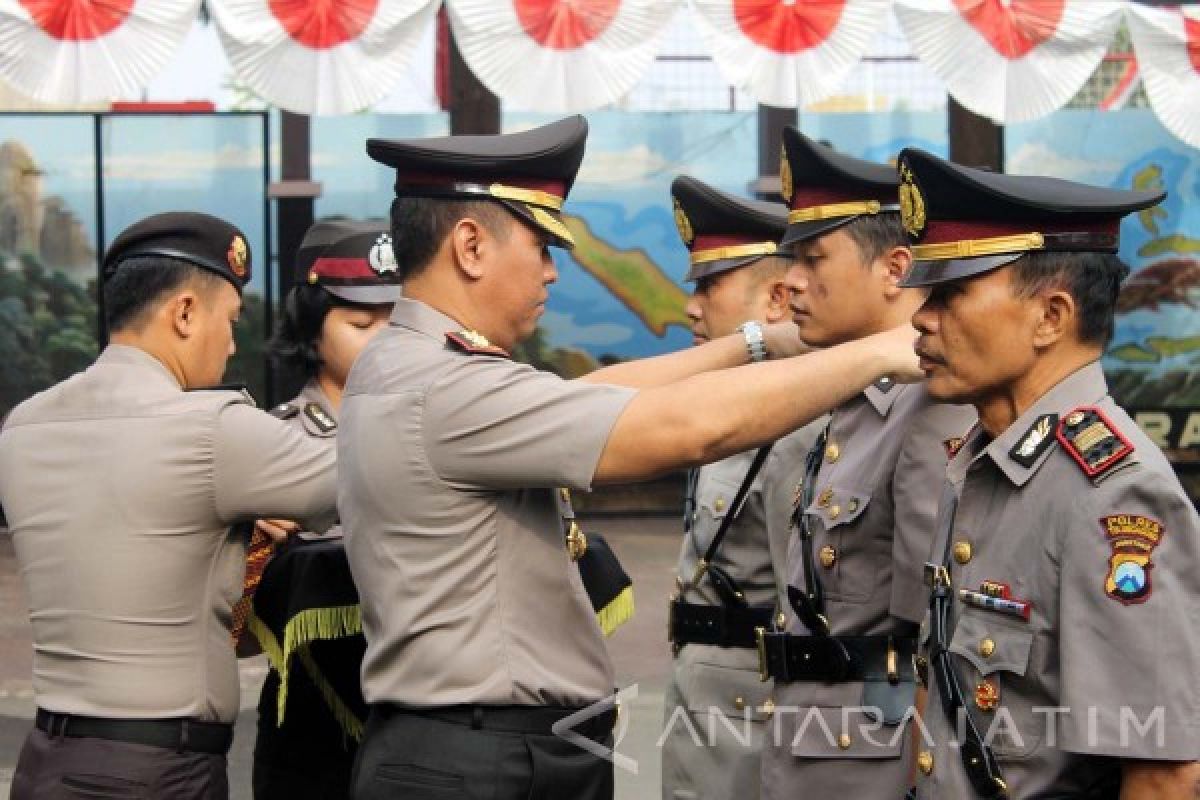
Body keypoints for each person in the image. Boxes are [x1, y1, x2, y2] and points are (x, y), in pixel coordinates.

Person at [341, 115, 926, 800]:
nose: (552, 272)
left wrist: (758, 344)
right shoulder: (445, 386)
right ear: (471, 246)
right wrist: (880, 352)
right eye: (540, 246)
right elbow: (680, 429)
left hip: (475, 746)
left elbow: (583, 396)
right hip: (481, 761)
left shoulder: (415, 367)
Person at [0, 212, 338, 799]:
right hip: (156, 771)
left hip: (46, 761)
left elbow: (131, 511)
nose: (233, 345)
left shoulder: (23, 427)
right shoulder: (211, 431)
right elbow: (369, 474)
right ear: (183, 313)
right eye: (229, 321)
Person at [899, 148, 1200, 799]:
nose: (922, 318)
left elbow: (1162, 774)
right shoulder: (984, 462)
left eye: (951, 293)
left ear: (1051, 317)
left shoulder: (1113, 494)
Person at [759, 129, 976, 800]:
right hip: (813, 740)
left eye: (814, 258)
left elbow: (937, 642)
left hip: (869, 759)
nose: (791, 280)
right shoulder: (857, 398)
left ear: (893, 269)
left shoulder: (925, 406)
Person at [660, 175, 824, 800]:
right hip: (704, 697)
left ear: (779, 299)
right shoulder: (730, 400)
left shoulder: (797, 425)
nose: (691, 307)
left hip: (753, 714)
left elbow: (805, 600)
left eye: (709, 286)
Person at [251, 219, 403, 799]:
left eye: (398, 322)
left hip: (428, 718)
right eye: (363, 324)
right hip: (311, 725)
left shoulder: (440, 432)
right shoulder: (271, 444)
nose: (385, 341)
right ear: (311, 333)